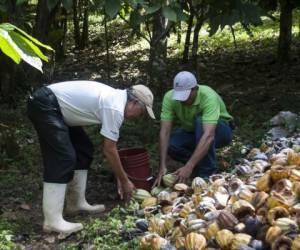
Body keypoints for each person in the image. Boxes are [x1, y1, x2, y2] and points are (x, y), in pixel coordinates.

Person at [27, 80, 155, 234]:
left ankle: (75, 204)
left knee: (84, 149)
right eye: (141, 112)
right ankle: (52, 221)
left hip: (56, 107)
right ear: (134, 102)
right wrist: (124, 180)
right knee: (63, 158)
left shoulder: (116, 99)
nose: (138, 117)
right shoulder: (115, 107)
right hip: (45, 104)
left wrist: (122, 178)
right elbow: (109, 149)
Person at [153, 71, 233, 186]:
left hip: (221, 131)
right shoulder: (169, 97)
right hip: (193, 132)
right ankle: (196, 167)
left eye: (185, 96)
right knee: (173, 145)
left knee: (200, 121)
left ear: (195, 89)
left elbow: (208, 135)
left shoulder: (208, 96)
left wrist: (189, 165)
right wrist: (162, 166)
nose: (182, 100)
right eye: (179, 96)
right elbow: (164, 132)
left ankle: (207, 173)